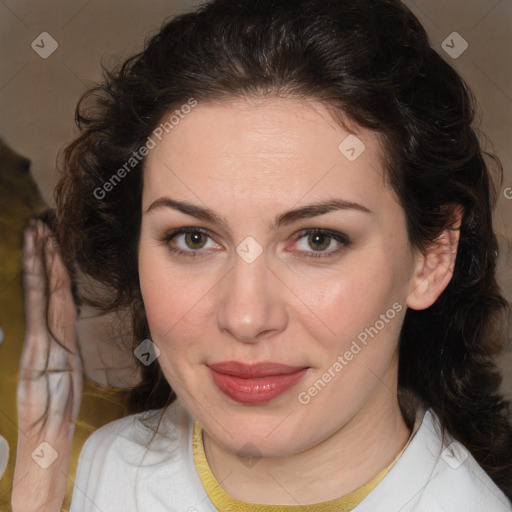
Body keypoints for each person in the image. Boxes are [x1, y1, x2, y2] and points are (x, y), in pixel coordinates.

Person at [13, 0, 512, 510]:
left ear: (431, 258)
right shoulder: (108, 465)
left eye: (318, 239)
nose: (245, 317)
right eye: (193, 238)